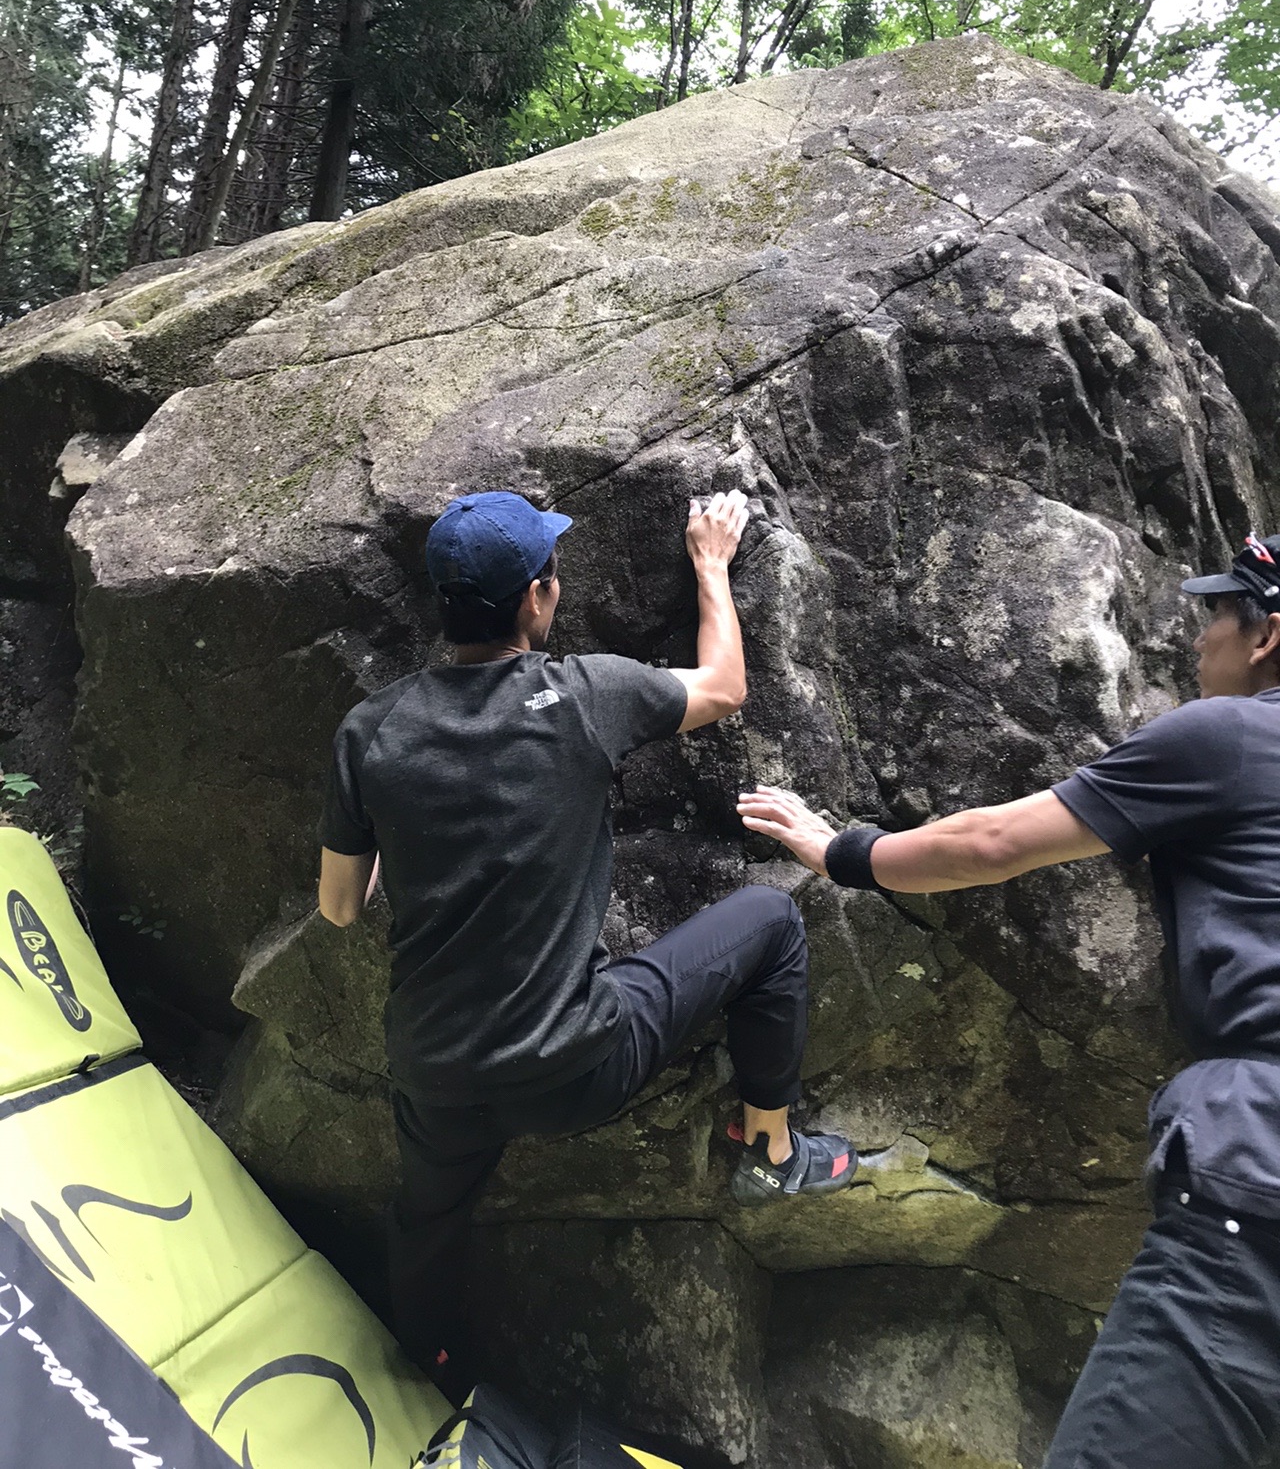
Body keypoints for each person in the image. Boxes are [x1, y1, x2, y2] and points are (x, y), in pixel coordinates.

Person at [739, 530, 1280, 1469]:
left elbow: (993, 844)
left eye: (1218, 615)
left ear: (1267, 635)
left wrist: (841, 851)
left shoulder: (1229, 737)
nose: (1199, 637)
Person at [316, 488, 854, 1398]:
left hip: (436, 1074)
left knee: (427, 1217)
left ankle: (431, 1367)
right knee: (770, 923)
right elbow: (723, 687)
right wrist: (711, 566)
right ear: (538, 597)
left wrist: (386, 851)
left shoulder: (369, 733)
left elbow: (338, 908)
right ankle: (771, 1147)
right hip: (575, 1066)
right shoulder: (581, 696)